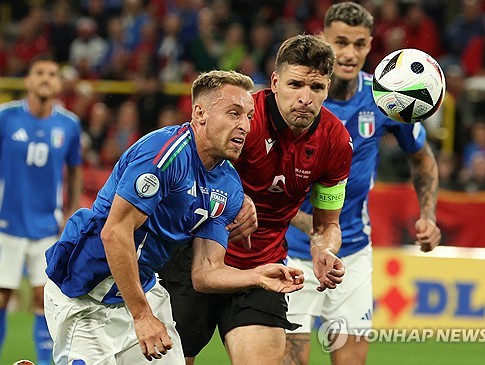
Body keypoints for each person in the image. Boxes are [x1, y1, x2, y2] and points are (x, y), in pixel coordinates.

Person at [43, 69, 305, 365]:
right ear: (199, 113)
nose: (244, 126)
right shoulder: (164, 154)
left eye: (248, 117)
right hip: (85, 294)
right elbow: (114, 233)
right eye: (234, 113)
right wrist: (142, 316)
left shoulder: (229, 186)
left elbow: (206, 272)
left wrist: (256, 275)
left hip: (141, 292)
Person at [159, 34, 353, 365]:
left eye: (317, 88)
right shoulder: (243, 117)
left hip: (262, 269)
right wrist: (234, 196)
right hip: (194, 262)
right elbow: (188, 166)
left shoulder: (336, 142)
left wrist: (324, 250)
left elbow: (328, 223)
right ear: (275, 82)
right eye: (295, 85)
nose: (305, 98)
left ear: (328, 88)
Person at [284, 3, 442, 365]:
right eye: (340, 42)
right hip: (292, 252)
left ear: (371, 44)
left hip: (352, 252)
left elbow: (422, 155)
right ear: (323, 39)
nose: (350, 53)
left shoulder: (386, 97)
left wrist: (428, 214)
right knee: (292, 361)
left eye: (359, 44)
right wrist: (313, 228)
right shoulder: (300, 99)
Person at [0, 55, 82, 365]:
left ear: (59, 83)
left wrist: (71, 212)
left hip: (47, 226)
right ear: (28, 81)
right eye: (39, 73)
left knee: (44, 299)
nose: (46, 78)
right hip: (5, 224)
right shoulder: (5, 117)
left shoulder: (69, 124)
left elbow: (74, 171)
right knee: (1, 298)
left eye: (52, 73)